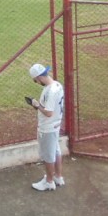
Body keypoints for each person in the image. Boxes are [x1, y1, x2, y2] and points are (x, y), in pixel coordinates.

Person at [28, 63, 65, 191]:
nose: (37, 83)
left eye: (35, 80)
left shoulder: (50, 91)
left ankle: (49, 182)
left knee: (49, 156)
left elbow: (48, 113)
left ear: (38, 78)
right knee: (56, 151)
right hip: (56, 124)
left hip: (48, 127)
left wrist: (37, 105)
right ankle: (58, 177)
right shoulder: (57, 85)